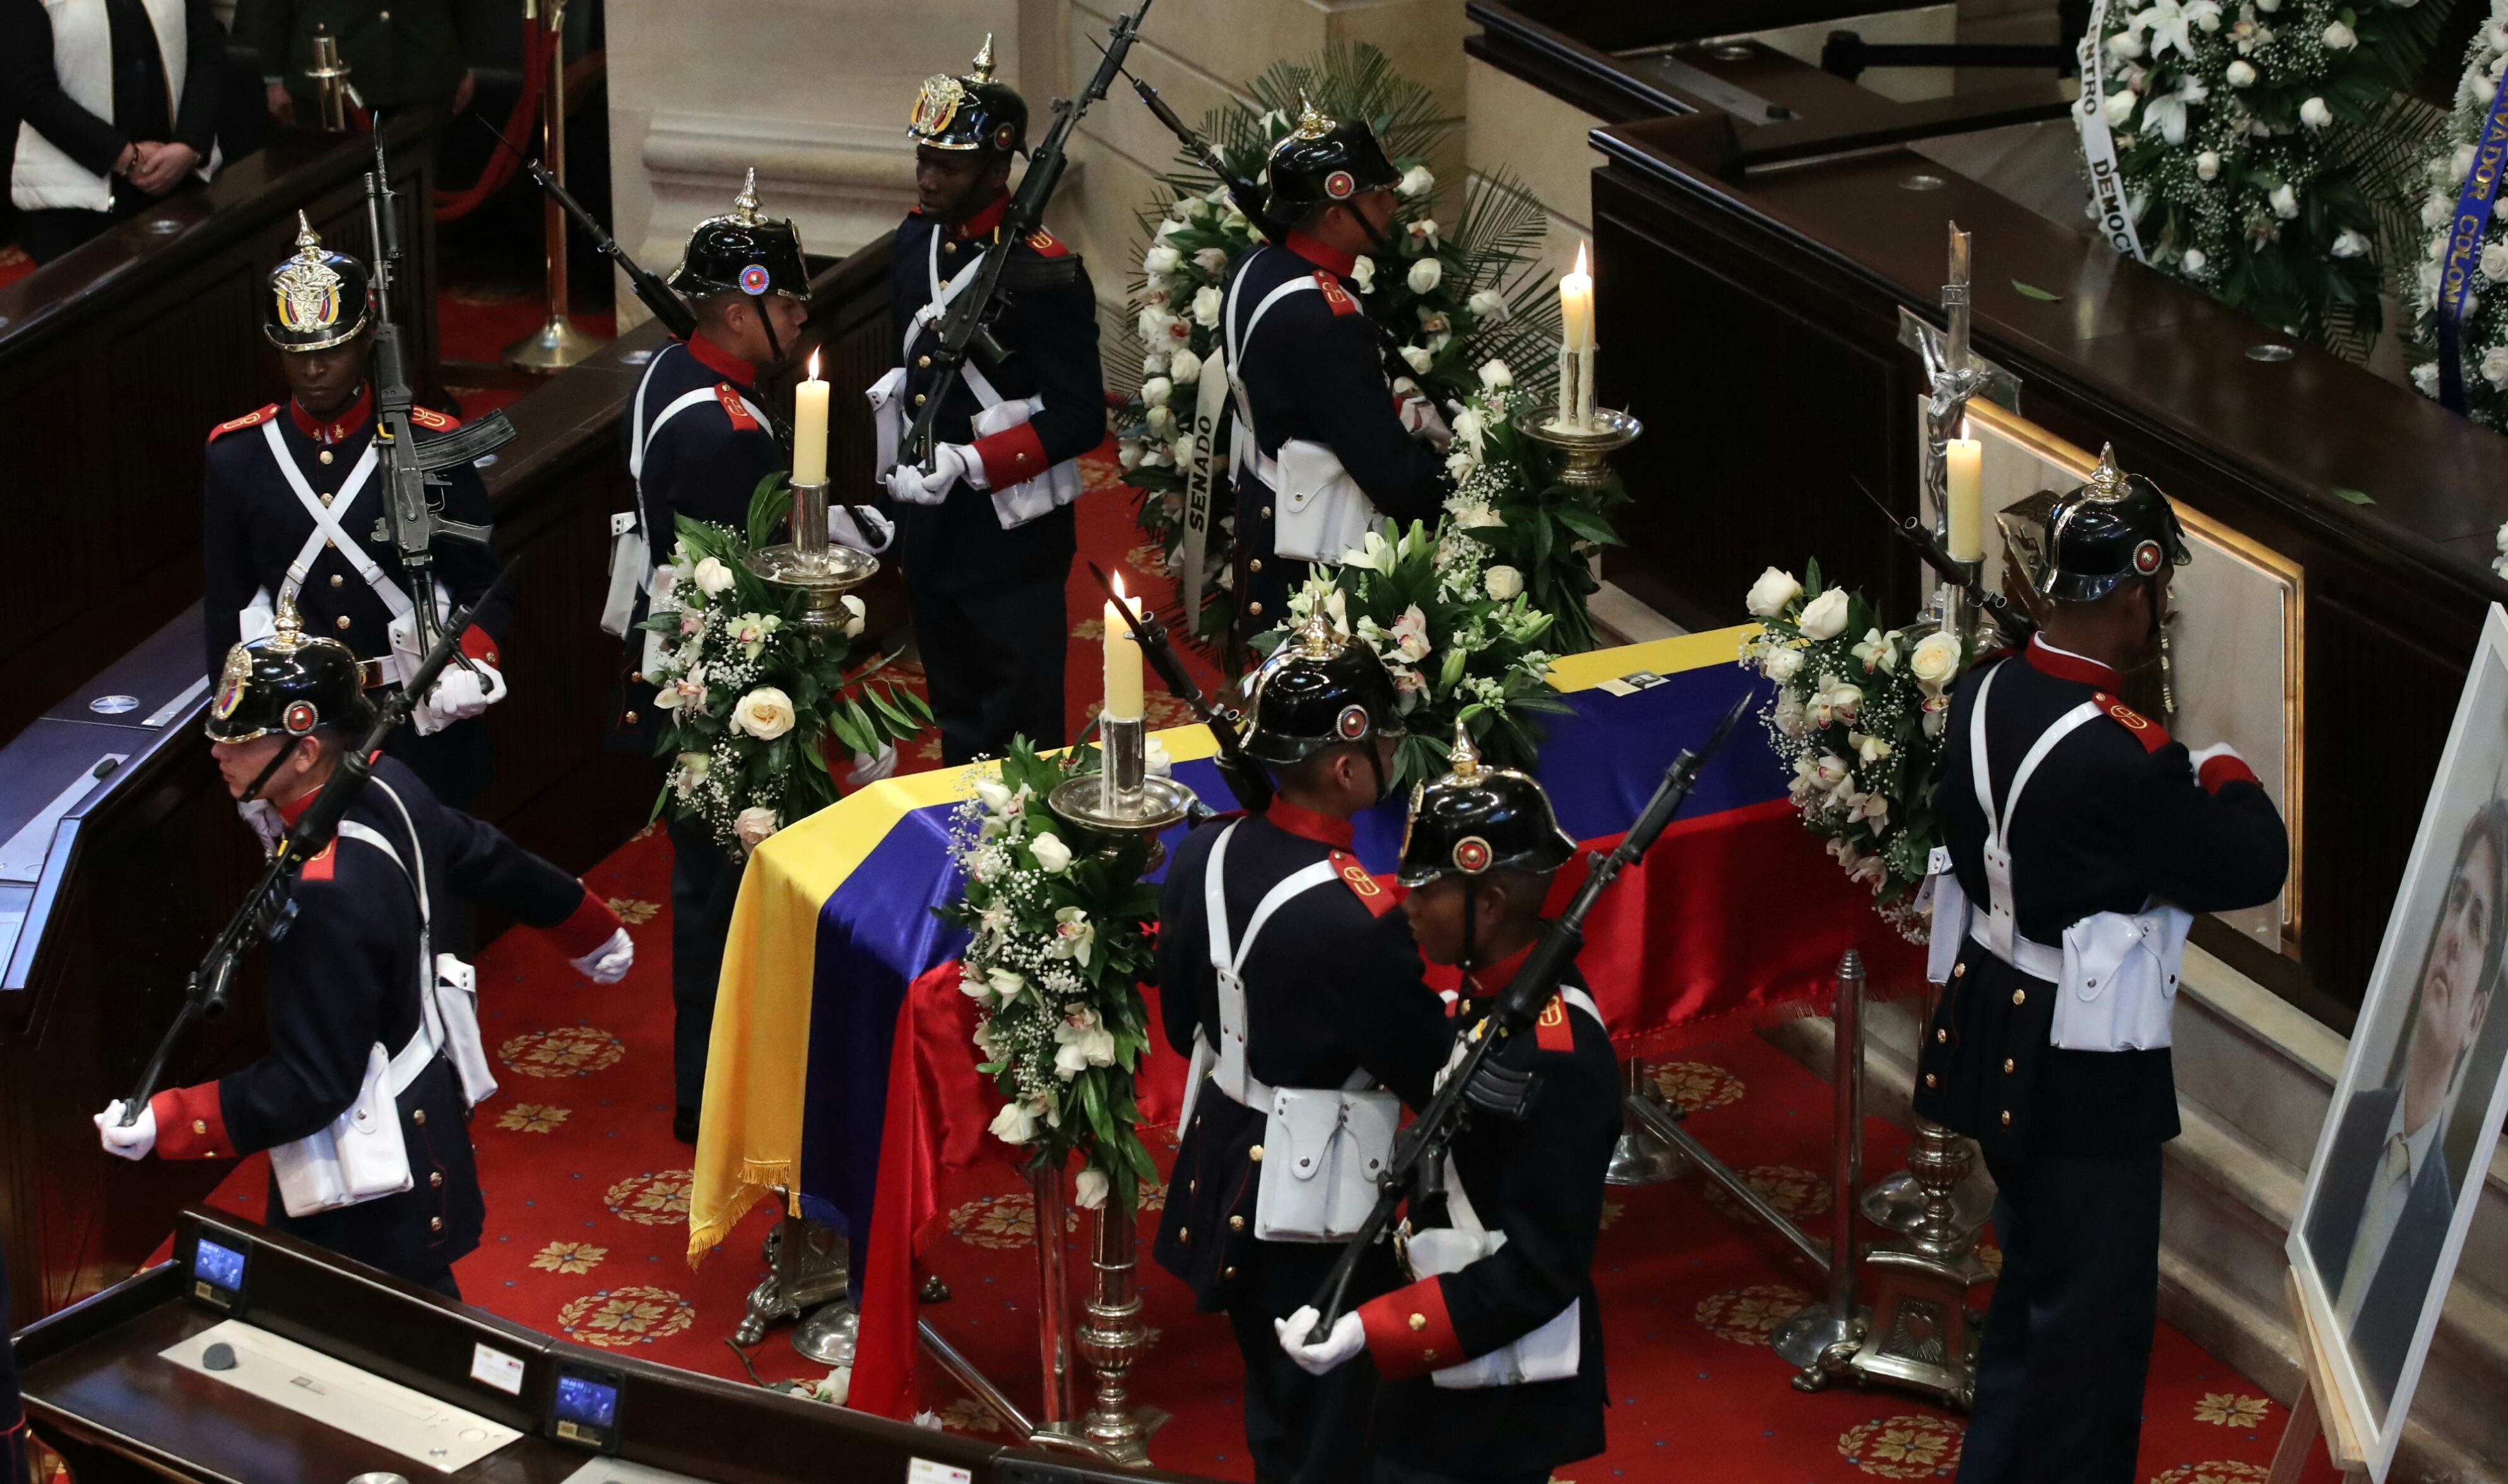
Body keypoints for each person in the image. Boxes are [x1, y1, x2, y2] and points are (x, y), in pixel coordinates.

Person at [1914, 446, 2289, 1484]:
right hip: (2084, 1068)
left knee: (2030, 1300)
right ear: (2133, 591)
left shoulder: (1981, 695)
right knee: (2088, 1336)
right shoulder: (2117, 754)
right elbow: (2248, 864)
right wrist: (2221, 769)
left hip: (1995, 1028)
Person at [93, 603, 632, 1298]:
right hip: (419, 1121)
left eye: (241, 741)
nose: (218, 753)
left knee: (379, 1347)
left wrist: (171, 1121)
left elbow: (312, 1084)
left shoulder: (325, 890)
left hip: (367, 1180)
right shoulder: (385, 782)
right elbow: (476, 849)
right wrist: (582, 924)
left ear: (306, 749)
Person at [1150, 615, 1451, 1484]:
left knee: (1276, 1410)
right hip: (1318, 1203)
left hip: (1226, 1168)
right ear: (1347, 765)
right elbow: (1428, 1074)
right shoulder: (1356, 919)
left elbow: (1183, 1025)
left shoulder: (1205, 850)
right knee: (1336, 1433)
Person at [1277, 724, 1618, 1484]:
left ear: (1488, 901)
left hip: (1497, 1390)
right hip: (1446, 1345)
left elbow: (1540, 1267)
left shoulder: (1557, 1055)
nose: (1404, 902)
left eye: (1425, 889)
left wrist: (1378, 1329)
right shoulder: (1492, 991)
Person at [608, 169, 809, 1146]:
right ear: (741, 312)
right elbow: (750, 583)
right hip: (722, 694)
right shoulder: (726, 428)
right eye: (791, 304)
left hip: (677, 664)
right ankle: (716, 1097)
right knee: (722, 898)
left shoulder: (673, 374)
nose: (805, 320)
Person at [201, 215, 510, 813]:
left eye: (332, 351)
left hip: (420, 714)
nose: (314, 370)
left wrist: (471, 657)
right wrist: (244, 731)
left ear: (366, 340)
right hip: (306, 735)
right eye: (297, 354)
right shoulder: (238, 456)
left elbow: (484, 581)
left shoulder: (429, 443)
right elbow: (227, 606)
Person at [881, 35, 1104, 763]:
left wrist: (971, 462)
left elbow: (1080, 418)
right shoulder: (915, 246)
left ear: (999, 164)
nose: (927, 178)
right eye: (923, 159)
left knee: (1019, 732)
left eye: (947, 164)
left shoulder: (1048, 275)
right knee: (955, 717)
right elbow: (907, 378)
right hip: (933, 529)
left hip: (1012, 538)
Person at [2304, 798, 2507, 1414]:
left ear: (2475, 1015)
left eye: (2475, 923)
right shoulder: (2354, 1125)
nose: (2451, 934)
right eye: (2454, 901)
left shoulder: (2439, 1221)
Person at [1220, 96, 1448, 639]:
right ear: (1335, 213)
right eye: (1378, 196)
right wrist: (1466, 500)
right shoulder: (1325, 318)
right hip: (1317, 557)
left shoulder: (1257, 265)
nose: (1392, 204)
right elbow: (1390, 475)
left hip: (1268, 508)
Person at [3, 0, 223, 263]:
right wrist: (125, 157)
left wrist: (190, 145)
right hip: (74, 207)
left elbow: (207, 55)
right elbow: (31, 91)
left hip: (178, 181)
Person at [241, 0, 471, 124]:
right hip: (329, 80)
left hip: (421, 69)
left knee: (416, 198)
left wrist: (468, 62)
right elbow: (271, 6)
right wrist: (274, 76)